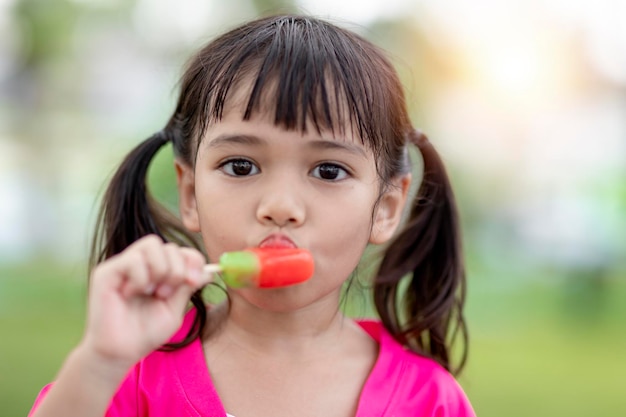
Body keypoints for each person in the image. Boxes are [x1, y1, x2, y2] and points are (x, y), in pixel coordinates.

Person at [29, 14, 475, 417]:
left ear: (386, 208)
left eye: (328, 170)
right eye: (241, 166)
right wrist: (101, 361)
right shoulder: (130, 377)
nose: (279, 206)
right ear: (189, 193)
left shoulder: (430, 399)